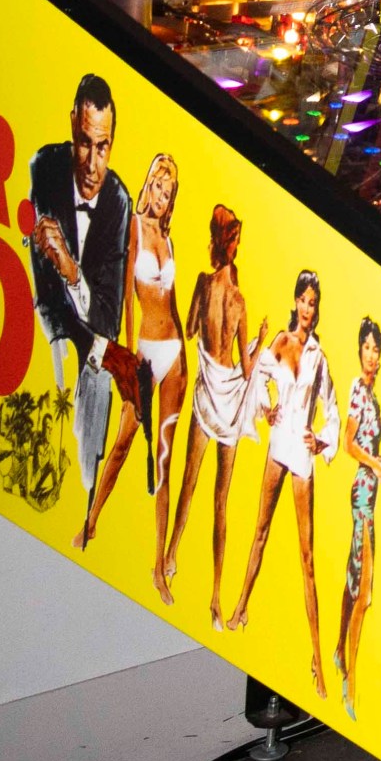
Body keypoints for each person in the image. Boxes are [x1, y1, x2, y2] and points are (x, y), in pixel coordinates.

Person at [73, 151, 182, 562]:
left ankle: (157, 564)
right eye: (157, 186)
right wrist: (133, 349)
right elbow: (127, 294)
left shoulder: (169, 239)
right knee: (122, 444)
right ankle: (92, 521)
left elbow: (172, 299)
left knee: (164, 462)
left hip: (173, 353)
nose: (160, 197)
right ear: (148, 185)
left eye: (168, 193)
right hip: (145, 352)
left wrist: (183, 349)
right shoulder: (135, 227)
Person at [226, 270, 332, 692]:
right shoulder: (282, 343)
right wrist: (266, 409)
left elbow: (332, 407)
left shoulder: (319, 357)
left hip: (301, 452)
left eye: (314, 303)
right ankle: (239, 610)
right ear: (296, 301)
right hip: (277, 444)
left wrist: (321, 439)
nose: (308, 309)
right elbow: (254, 374)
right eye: (304, 301)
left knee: (307, 557)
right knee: (260, 532)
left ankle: (318, 661)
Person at [27, 77, 130, 489]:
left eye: (102, 148)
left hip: (94, 336)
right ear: (73, 126)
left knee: (97, 384)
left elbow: (109, 316)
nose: (92, 164)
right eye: (85, 144)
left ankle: (83, 491)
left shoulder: (118, 201)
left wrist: (72, 272)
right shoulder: (44, 167)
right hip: (50, 322)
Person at [161, 204, 252, 613]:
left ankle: (171, 556)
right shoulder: (238, 298)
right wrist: (261, 340)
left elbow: (193, 327)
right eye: (234, 238)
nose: (234, 245)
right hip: (228, 393)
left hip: (208, 390)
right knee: (219, 497)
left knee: (190, 484)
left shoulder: (204, 283)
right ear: (228, 242)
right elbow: (246, 367)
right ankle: (215, 595)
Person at [336, 315, 381, 716]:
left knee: (355, 580)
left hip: (368, 492)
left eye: (376, 348)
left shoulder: (371, 393)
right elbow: (348, 443)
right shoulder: (357, 389)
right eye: (367, 347)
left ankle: (339, 651)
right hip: (364, 491)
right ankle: (350, 684)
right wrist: (377, 463)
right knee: (364, 593)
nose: (371, 355)